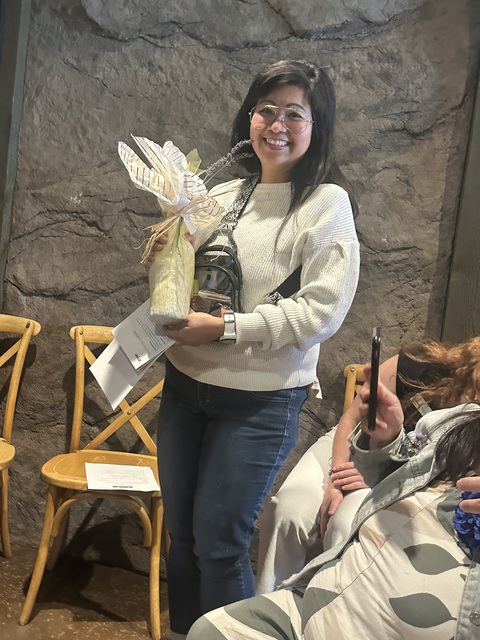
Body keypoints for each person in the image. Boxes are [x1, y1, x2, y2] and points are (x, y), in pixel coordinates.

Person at [153, 59, 360, 637]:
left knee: (220, 544)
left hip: (259, 401)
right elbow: (187, 280)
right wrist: (165, 256)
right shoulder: (221, 194)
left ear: (318, 125)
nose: (277, 124)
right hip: (185, 385)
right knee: (182, 536)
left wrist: (225, 329)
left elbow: (321, 312)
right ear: (249, 117)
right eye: (266, 110)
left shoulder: (326, 204)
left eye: (295, 113)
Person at [186, 368, 480, 640]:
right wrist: (384, 442)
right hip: (333, 595)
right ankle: (271, 594)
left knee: (342, 521)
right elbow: (393, 461)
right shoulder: (453, 419)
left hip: (390, 619)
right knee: (285, 511)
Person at [255, 336, 480, 593]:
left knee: (348, 526)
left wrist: (375, 479)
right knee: (287, 510)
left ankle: (327, 604)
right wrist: (336, 480)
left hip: (395, 481)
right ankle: (268, 601)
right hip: (349, 446)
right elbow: (350, 420)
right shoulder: (418, 364)